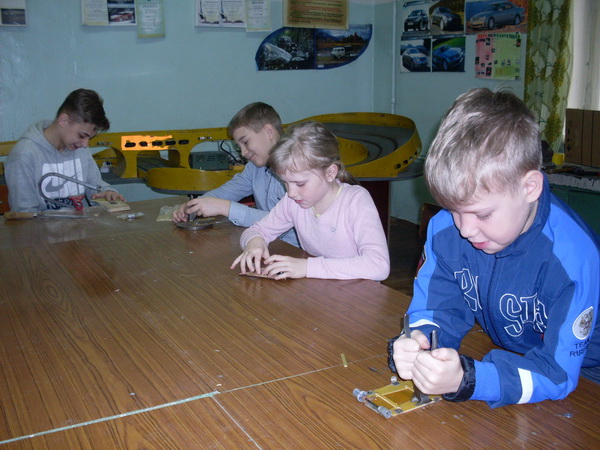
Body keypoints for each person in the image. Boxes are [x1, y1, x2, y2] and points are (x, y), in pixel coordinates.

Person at [390, 88, 600, 408]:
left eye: (483, 214)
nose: (464, 229)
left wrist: (469, 379)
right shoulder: (446, 229)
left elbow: (557, 375)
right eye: (453, 209)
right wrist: (419, 341)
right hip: (518, 358)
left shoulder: (572, 258)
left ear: (529, 188)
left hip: (585, 373)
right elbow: (438, 308)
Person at [230, 121, 390, 281]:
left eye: (300, 184)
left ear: (330, 173)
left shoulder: (355, 200)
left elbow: (378, 266)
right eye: (285, 183)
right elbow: (257, 230)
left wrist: (307, 267)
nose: (291, 193)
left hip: (360, 290)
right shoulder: (293, 202)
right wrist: (254, 242)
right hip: (321, 286)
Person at [173, 102, 299, 247]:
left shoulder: (298, 171)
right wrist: (195, 205)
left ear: (268, 132)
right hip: (267, 244)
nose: (243, 153)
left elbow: (283, 222)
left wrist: (226, 208)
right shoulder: (254, 168)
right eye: (239, 147)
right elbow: (226, 192)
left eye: (245, 142)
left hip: (297, 252)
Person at [5, 88, 125, 212]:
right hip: (41, 225)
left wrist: (106, 193)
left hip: (80, 223)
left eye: (90, 138)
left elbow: (95, 186)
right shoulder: (23, 156)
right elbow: (25, 215)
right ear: (63, 121)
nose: (85, 144)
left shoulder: (79, 148)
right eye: (82, 135)